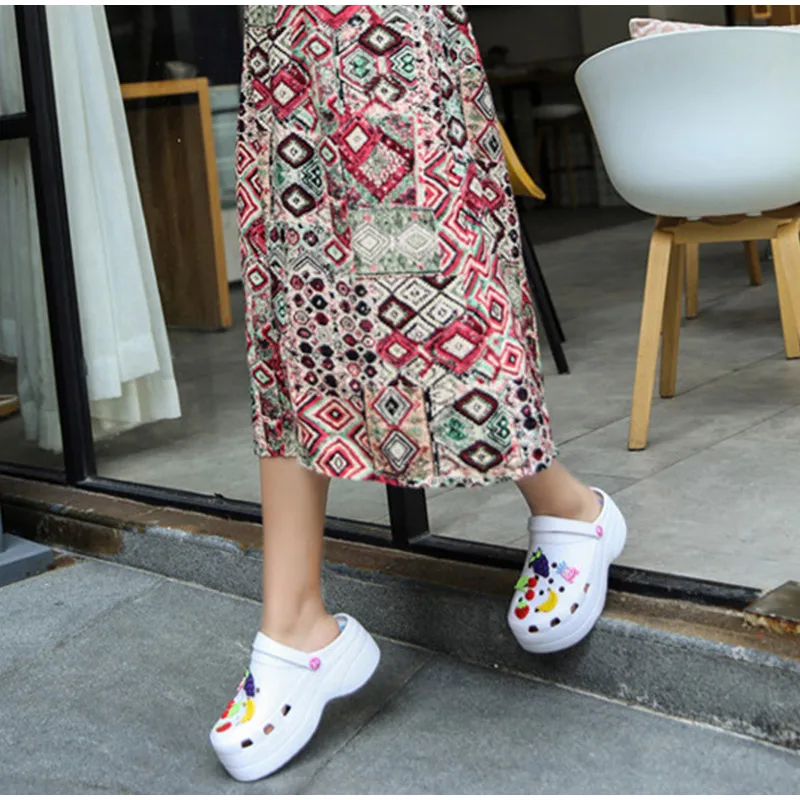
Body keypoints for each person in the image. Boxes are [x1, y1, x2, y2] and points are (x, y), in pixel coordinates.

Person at [210, 5, 626, 782]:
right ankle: (295, 621)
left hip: (382, 42)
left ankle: (569, 506)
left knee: (423, 285)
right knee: (296, 307)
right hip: (283, 41)